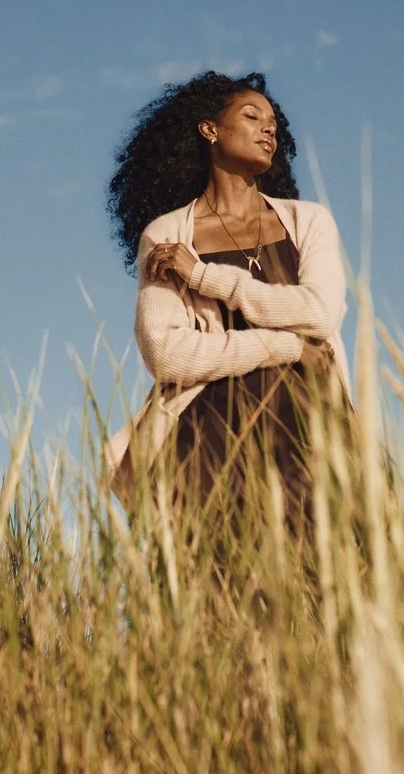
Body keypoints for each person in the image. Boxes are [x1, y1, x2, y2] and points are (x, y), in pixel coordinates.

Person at [102, 71, 346, 530]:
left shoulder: (310, 221)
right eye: (252, 116)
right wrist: (288, 348)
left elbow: (321, 313)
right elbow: (167, 356)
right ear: (209, 129)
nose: (268, 128)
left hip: (312, 424)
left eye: (273, 121)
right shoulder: (167, 234)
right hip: (207, 437)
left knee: (332, 583)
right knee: (218, 592)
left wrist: (201, 276)